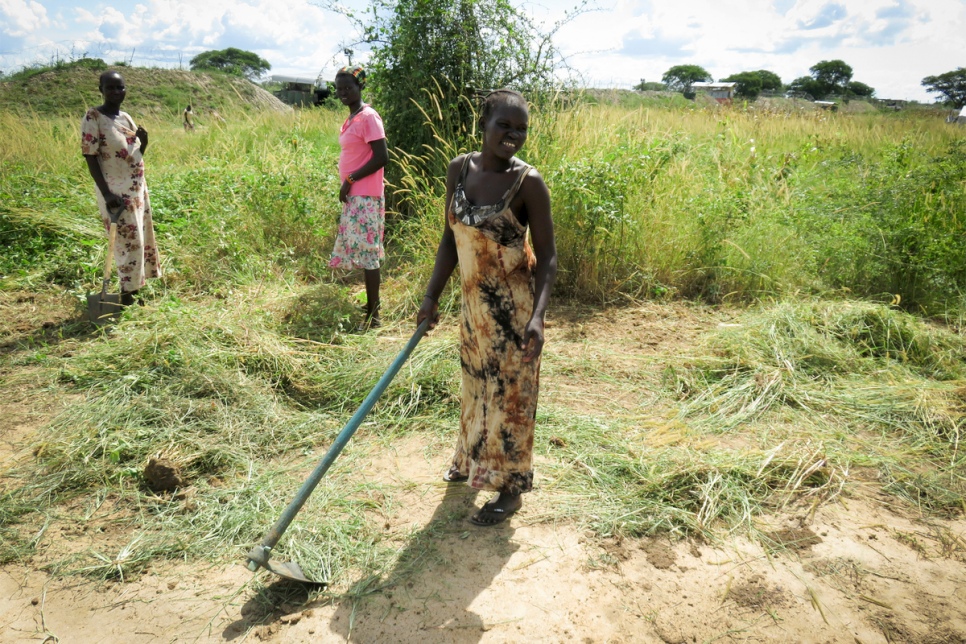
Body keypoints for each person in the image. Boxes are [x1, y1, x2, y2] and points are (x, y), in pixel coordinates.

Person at [416, 89, 557, 526]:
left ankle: (511, 490)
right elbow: (449, 239)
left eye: (521, 129)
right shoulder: (459, 168)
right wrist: (430, 296)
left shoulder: (528, 183)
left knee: (510, 399)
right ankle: (469, 461)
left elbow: (549, 257)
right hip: (473, 310)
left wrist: (537, 317)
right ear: (483, 124)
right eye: (505, 125)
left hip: (514, 315)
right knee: (475, 389)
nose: (513, 135)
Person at [81, 70, 161, 306]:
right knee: (125, 243)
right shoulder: (94, 116)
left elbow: (132, 156)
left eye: (120, 87)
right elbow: (90, 156)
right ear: (101, 90)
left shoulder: (125, 118)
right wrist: (107, 194)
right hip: (115, 192)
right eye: (110, 88)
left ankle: (134, 292)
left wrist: (143, 143)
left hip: (136, 190)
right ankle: (127, 297)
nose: (116, 92)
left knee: (139, 238)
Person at [329, 65, 388, 330]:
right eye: (339, 88)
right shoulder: (352, 117)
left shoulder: (368, 117)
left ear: (359, 87)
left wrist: (350, 179)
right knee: (366, 253)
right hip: (356, 195)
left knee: (368, 256)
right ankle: (371, 306)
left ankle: (374, 316)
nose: (343, 92)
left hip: (365, 194)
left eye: (348, 87)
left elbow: (381, 157)